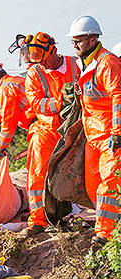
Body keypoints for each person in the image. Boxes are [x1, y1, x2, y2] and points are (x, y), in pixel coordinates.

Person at [67, 16, 121, 246]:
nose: (75, 45)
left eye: (78, 41)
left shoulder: (107, 63)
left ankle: (105, 234)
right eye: (74, 41)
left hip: (109, 135)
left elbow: (118, 97)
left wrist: (117, 132)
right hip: (93, 137)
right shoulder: (85, 63)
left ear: (93, 39)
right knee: (93, 185)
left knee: (109, 184)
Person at [22, 32, 80, 236]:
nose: (37, 59)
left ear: (53, 50)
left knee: (77, 173)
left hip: (75, 129)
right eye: (32, 54)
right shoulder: (34, 74)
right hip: (47, 131)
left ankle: (68, 215)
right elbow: (36, 103)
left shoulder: (76, 65)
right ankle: (37, 220)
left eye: (39, 53)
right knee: (37, 174)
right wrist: (59, 102)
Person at [0, 60, 35, 155]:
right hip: (45, 122)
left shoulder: (5, 89)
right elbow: (5, 109)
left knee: (38, 168)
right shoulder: (16, 80)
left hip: (38, 126)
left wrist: (1, 145)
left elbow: (9, 120)